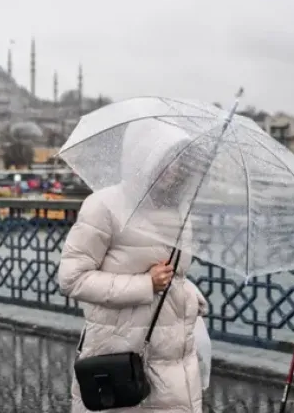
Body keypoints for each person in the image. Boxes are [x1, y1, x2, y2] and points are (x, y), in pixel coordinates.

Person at [58, 131, 208, 413]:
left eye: (178, 160)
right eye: (163, 159)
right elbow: (72, 279)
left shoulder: (181, 212)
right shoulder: (104, 206)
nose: (173, 169)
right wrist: (145, 284)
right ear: (141, 157)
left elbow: (174, 276)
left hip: (176, 356)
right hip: (122, 354)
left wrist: (188, 293)